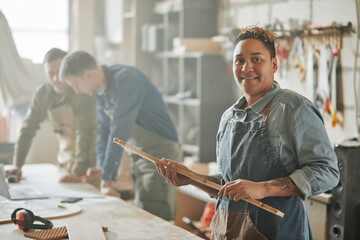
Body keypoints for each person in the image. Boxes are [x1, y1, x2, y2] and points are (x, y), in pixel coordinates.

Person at [155, 26, 339, 239]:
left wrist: (263, 189)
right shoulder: (229, 117)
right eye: (239, 60)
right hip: (232, 232)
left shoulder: (293, 108)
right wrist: (190, 178)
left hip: (279, 232)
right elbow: (228, 185)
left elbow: (327, 171)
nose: (246, 67)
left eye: (256, 59)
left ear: (274, 64)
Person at [59, 51, 182, 221]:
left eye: (76, 85)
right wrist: (102, 167)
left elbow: (119, 131)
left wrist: (107, 180)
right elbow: (103, 130)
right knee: (142, 213)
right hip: (140, 154)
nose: (77, 91)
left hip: (160, 154)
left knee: (156, 215)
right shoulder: (100, 91)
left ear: (88, 75)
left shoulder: (127, 80)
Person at [10, 48, 97, 183]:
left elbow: (84, 135)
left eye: (59, 73)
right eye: (51, 74)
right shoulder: (43, 94)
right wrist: (17, 165)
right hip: (63, 164)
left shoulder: (81, 92)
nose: (56, 79)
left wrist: (78, 173)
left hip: (88, 166)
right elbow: (27, 129)